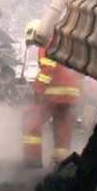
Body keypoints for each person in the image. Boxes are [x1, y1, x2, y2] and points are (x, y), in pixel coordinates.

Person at [21, 20, 81, 169]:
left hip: (54, 96)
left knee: (31, 123)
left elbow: (47, 69)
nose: (35, 46)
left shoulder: (46, 43)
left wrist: (37, 90)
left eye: (34, 42)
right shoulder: (63, 43)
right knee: (62, 133)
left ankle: (31, 163)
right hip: (70, 97)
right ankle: (59, 166)